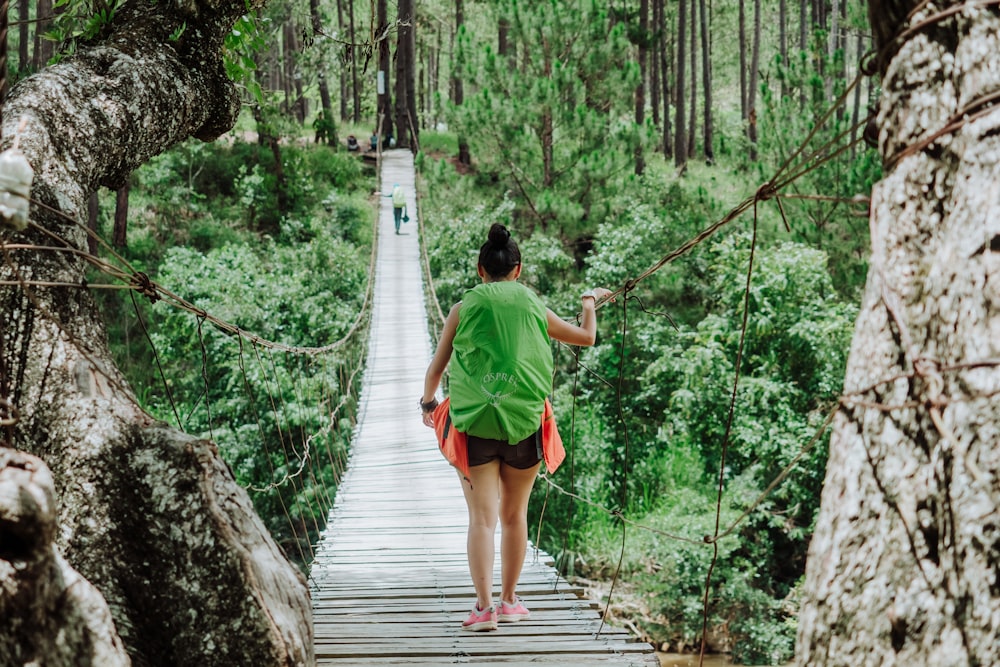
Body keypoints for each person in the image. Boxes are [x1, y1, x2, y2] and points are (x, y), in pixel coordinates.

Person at [420, 223, 612, 632]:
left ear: (480, 270)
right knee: (514, 516)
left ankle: (483, 609)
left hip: (474, 427)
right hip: (525, 424)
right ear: (518, 270)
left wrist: (428, 404)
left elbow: (436, 369)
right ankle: (509, 601)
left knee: (481, 521)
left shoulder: (463, 308)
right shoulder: (532, 305)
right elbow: (586, 338)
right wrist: (590, 301)